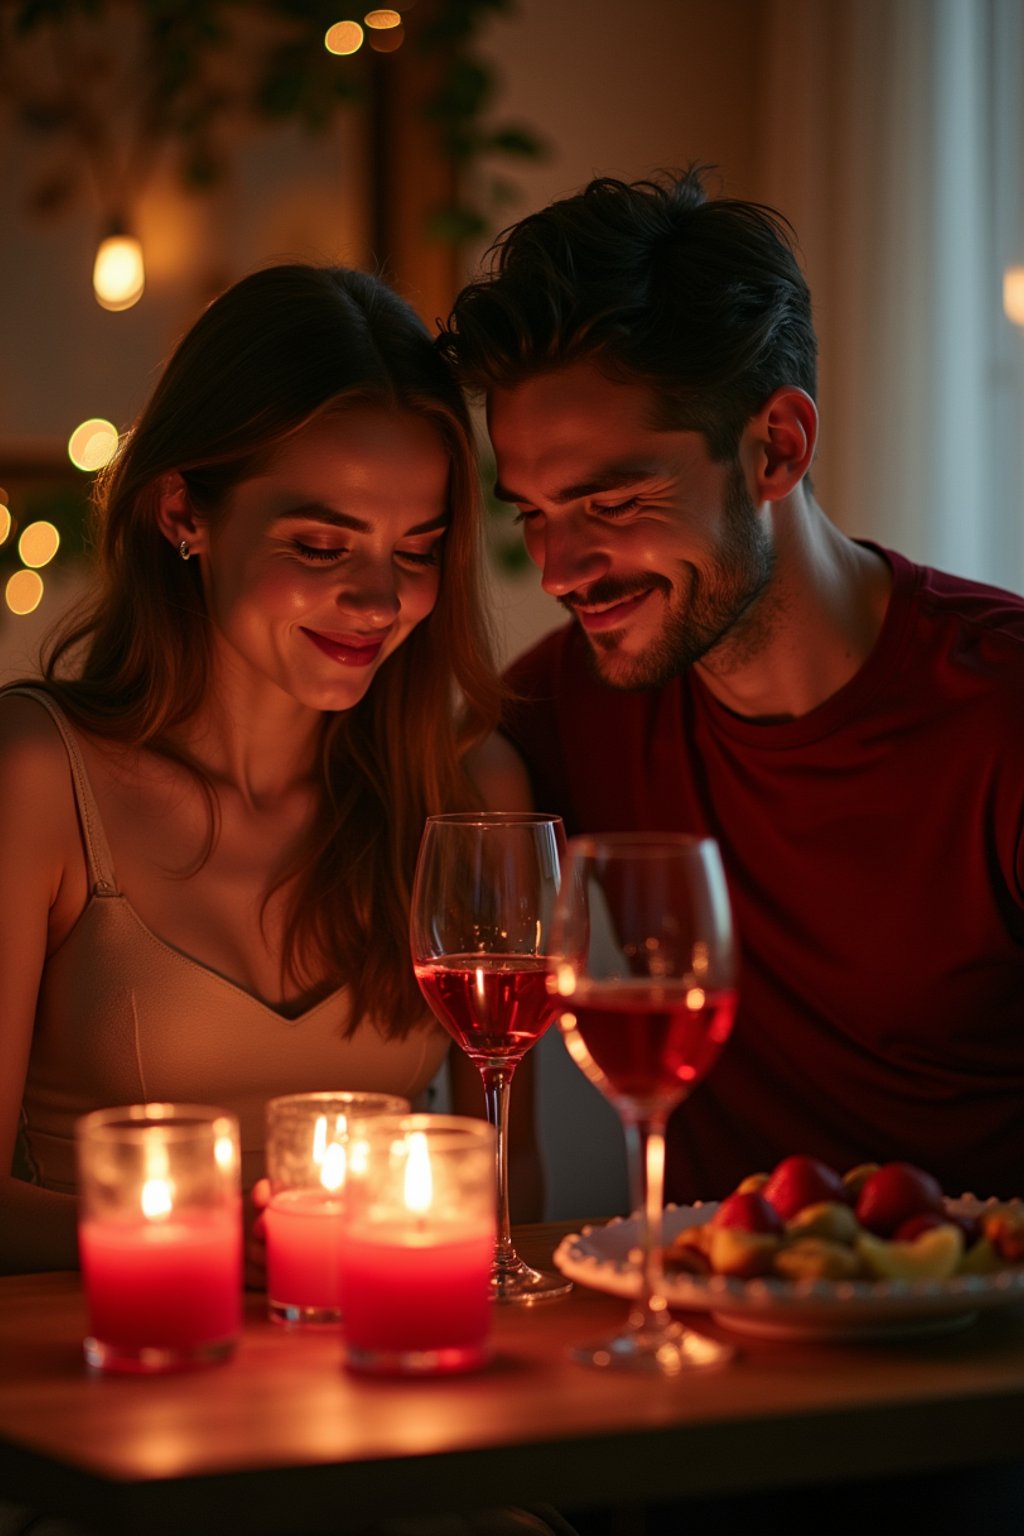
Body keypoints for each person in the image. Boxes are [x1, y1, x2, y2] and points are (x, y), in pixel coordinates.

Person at [438, 166, 1024, 1205]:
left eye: (610, 499)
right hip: (714, 1335)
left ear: (775, 448)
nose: (559, 568)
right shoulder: (570, 705)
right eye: (530, 511)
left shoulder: (1000, 714)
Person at [0, 261, 541, 1278]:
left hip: (388, 1381)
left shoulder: (467, 797)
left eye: (416, 549)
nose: (379, 600)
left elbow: (513, 1196)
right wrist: (226, 1250)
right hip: (103, 1387)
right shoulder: (36, 776)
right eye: (321, 545)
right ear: (182, 515)